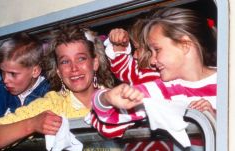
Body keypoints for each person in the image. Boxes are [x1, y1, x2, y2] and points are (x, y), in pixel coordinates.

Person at [90, 7, 217, 150]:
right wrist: (106, 99)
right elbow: (106, 123)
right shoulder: (162, 91)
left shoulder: (227, 80)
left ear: (185, 45)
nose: (151, 61)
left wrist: (216, 120)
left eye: (157, 50)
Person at [0, 25, 115, 150]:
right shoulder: (52, 105)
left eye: (81, 58)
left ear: (95, 63)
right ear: (58, 71)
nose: (74, 68)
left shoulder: (117, 98)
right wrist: (32, 124)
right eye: (65, 61)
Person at [0, 34, 51, 141]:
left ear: (35, 71)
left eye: (13, 74)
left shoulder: (51, 94)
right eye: (2, 72)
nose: (5, 80)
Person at [104, 19, 160, 85]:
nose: (134, 56)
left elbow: (121, 67)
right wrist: (120, 43)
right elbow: (122, 68)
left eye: (137, 49)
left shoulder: (142, 75)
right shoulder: (138, 73)